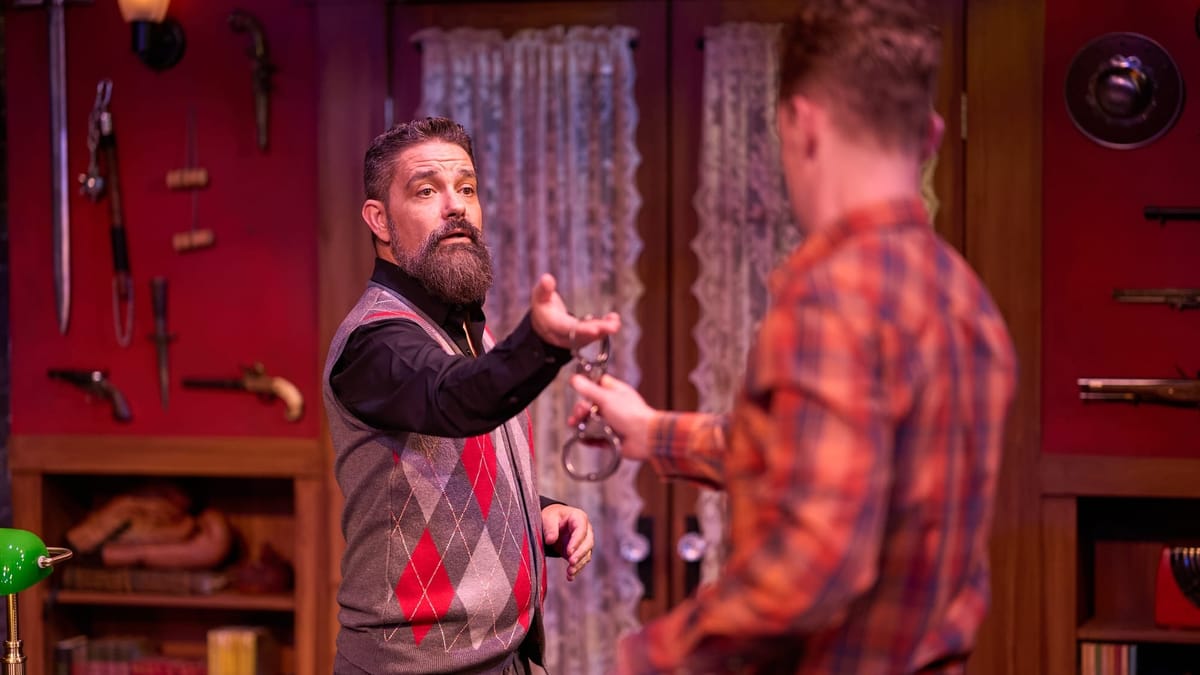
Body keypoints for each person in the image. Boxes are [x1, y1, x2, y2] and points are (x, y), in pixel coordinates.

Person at [570, 2, 1018, 673]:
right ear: (930, 135)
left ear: (802, 125)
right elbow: (831, 462)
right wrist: (654, 431)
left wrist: (640, 661)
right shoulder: (964, 297)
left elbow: (811, 565)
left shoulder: (832, 297)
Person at [323, 116, 619, 675]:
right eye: (426, 190)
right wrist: (542, 342)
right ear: (379, 220)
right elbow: (456, 399)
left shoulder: (470, 332)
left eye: (466, 188)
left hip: (505, 658)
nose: (455, 206)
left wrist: (541, 512)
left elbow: (454, 466)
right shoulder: (374, 342)